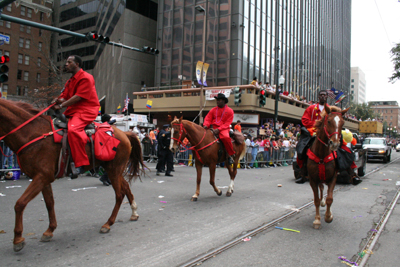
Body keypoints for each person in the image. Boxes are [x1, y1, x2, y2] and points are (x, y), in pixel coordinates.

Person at [52, 55, 100, 175]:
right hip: (74, 110)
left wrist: (62, 105)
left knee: (73, 130)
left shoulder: (86, 78)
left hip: (86, 110)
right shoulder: (70, 80)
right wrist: (57, 100)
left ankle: (81, 164)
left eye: (69, 62)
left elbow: (78, 97)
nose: (66, 64)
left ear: (77, 64)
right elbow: (65, 96)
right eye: (66, 62)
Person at [203, 93, 235, 165]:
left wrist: (219, 129)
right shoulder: (213, 110)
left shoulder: (230, 111)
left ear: (223, 101)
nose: (217, 101)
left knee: (225, 137)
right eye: (217, 100)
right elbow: (208, 119)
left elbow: (227, 123)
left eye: (219, 100)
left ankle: (230, 155)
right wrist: (205, 125)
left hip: (224, 129)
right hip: (213, 128)